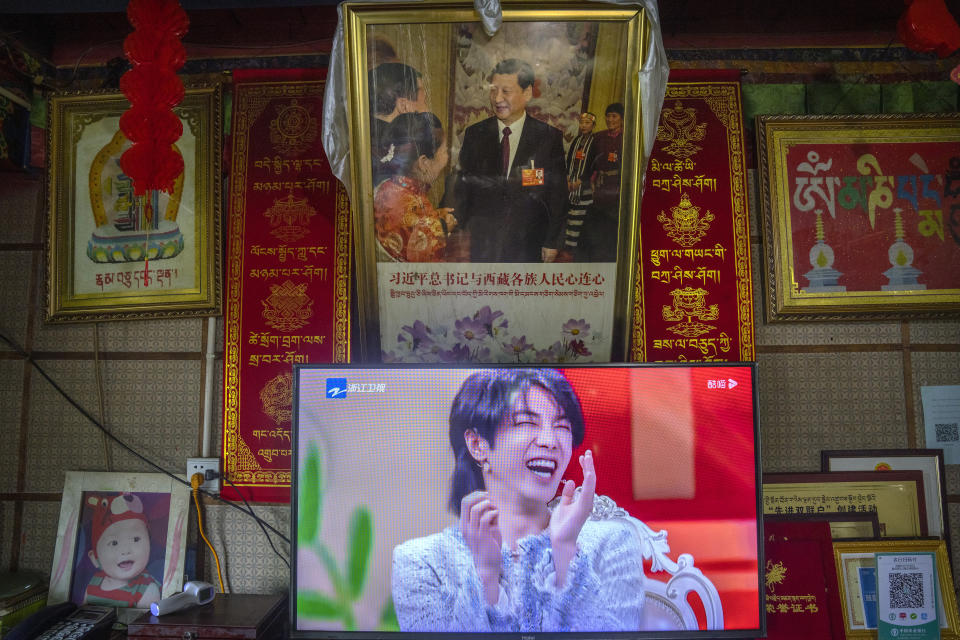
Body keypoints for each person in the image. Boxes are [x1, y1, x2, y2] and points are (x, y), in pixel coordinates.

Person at [392, 369, 645, 632]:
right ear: (478, 444)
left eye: (562, 426)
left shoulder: (613, 543)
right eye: (526, 422)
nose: (550, 441)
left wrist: (566, 558)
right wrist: (485, 576)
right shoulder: (420, 561)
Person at [452, 59, 567, 263]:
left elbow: (558, 195)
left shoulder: (548, 138)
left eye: (506, 91)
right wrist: (450, 221)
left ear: (527, 93)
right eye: (493, 90)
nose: (497, 99)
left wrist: (552, 242)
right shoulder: (475, 134)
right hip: (483, 244)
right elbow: (461, 186)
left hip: (528, 243)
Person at [373, 112, 457, 262]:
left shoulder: (386, 187)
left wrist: (433, 217)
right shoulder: (418, 207)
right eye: (445, 151)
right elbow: (431, 275)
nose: (447, 158)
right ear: (424, 162)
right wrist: (440, 229)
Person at [83, 493, 161, 608]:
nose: (125, 551)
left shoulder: (147, 589)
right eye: (114, 543)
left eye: (136, 539)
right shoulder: (94, 582)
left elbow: (144, 624)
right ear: (95, 558)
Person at [576, 103, 624, 262]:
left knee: (611, 228)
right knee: (593, 226)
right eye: (608, 116)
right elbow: (589, 162)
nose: (610, 119)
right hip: (598, 187)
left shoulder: (627, 137)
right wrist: (588, 180)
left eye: (614, 116)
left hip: (617, 188)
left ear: (622, 119)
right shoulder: (598, 137)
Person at [368, 62, 429, 181]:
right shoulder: (402, 152)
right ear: (403, 105)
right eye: (425, 101)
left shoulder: (364, 135)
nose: (427, 110)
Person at [561, 112, 597, 256]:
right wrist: (569, 179)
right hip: (572, 184)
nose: (584, 125)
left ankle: (572, 249)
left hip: (584, 186)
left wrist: (581, 180)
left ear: (593, 125)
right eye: (582, 123)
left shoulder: (595, 142)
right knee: (570, 215)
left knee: (579, 216)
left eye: (587, 123)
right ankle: (567, 245)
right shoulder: (577, 140)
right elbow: (569, 160)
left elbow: (593, 164)